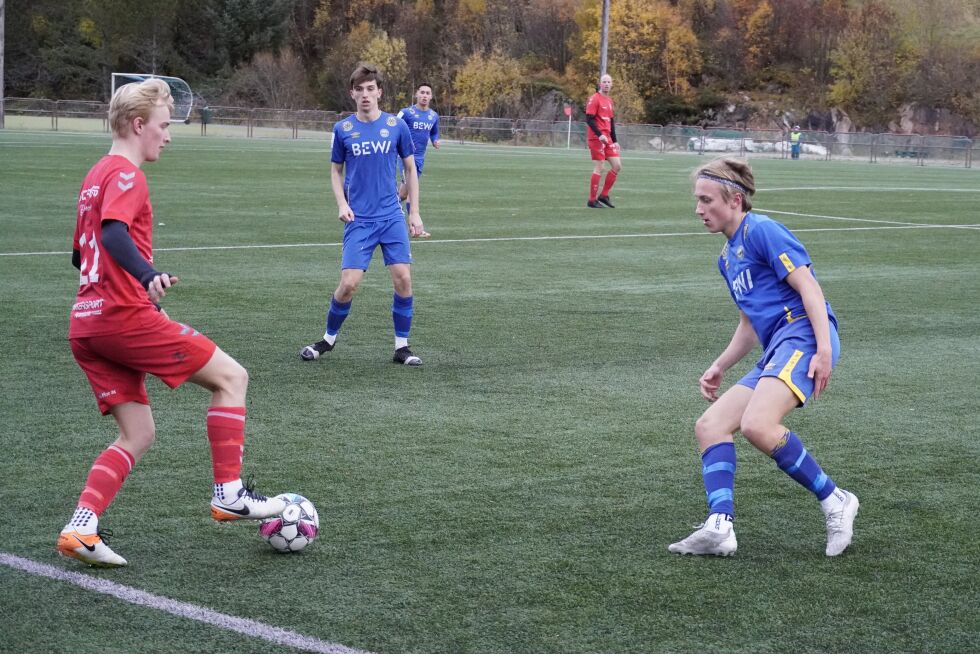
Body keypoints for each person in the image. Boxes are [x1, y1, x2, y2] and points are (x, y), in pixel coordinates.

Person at [58, 79, 285, 568]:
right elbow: (113, 232)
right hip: (121, 320)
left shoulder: (94, 174)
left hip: (87, 323)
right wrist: (146, 277)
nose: (169, 135)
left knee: (137, 434)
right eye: (163, 125)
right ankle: (229, 493)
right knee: (232, 377)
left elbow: (80, 254)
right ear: (138, 125)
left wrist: (129, 288)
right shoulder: (126, 176)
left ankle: (81, 527)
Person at [668, 157, 858, 558]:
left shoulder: (763, 230)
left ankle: (836, 499)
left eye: (706, 200)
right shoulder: (726, 257)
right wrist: (720, 364)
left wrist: (823, 349)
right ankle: (720, 526)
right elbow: (749, 324)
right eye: (697, 201)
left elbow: (810, 288)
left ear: (734, 199)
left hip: (804, 334)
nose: (699, 210)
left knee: (757, 424)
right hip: (777, 346)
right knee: (711, 424)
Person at [301, 64, 426, 366]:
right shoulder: (342, 129)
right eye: (360, 89)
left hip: (391, 216)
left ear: (380, 92)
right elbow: (335, 170)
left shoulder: (397, 125)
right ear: (352, 94)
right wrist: (342, 203)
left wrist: (415, 213)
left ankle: (402, 347)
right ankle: (328, 339)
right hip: (360, 220)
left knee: (403, 279)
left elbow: (410, 169)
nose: (366, 94)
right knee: (348, 284)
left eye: (371, 89)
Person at [397, 83, 440, 236]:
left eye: (427, 93)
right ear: (416, 94)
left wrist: (435, 140)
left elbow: (435, 132)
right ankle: (415, 228)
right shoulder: (406, 113)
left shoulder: (433, 116)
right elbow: (394, 127)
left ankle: (381, 206)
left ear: (431, 96)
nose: (424, 95)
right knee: (411, 192)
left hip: (420, 158)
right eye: (422, 92)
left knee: (402, 195)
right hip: (405, 157)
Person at [585, 73, 621, 209]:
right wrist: (599, 134)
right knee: (600, 166)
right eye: (604, 82)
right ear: (600, 84)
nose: (606, 84)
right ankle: (592, 200)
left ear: (611, 84)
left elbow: (611, 122)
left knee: (617, 166)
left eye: (608, 82)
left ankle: (604, 195)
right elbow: (589, 119)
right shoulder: (594, 99)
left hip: (608, 138)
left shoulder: (610, 101)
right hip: (596, 137)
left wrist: (615, 140)